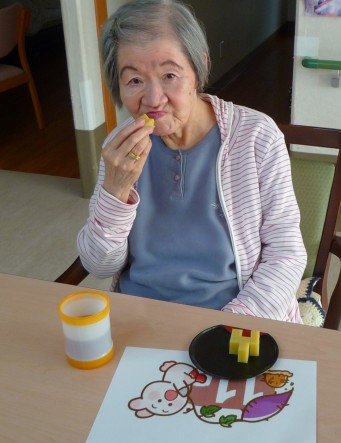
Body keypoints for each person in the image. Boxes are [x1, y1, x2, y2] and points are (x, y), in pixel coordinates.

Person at [77, 0, 306, 323]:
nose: (153, 99)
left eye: (169, 75)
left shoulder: (256, 137)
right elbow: (99, 265)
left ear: (199, 67)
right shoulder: (120, 149)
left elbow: (286, 254)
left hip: (234, 318)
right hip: (139, 317)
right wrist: (115, 191)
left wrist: (229, 325)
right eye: (134, 80)